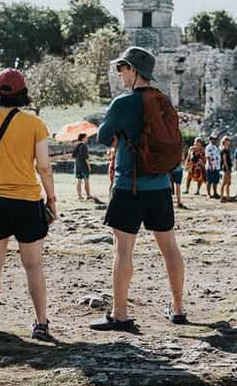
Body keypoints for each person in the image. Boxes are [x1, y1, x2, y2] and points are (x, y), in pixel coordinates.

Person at [89, 46, 186, 331]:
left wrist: (120, 133)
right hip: (160, 186)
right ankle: (178, 308)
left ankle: (120, 315)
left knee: (123, 252)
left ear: (134, 71)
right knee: (170, 248)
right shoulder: (163, 100)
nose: (119, 74)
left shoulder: (123, 102)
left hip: (128, 186)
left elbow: (103, 136)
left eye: (122, 69)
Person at [0, 68, 56, 340]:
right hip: (28, 201)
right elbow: (43, 167)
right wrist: (51, 199)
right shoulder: (34, 124)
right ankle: (41, 323)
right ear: (23, 93)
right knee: (33, 265)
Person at [73, 133, 92, 200]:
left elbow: (73, 156)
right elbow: (86, 158)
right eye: (86, 138)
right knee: (86, 181)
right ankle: (88, 195)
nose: (87, 139)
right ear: (83, 138)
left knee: (79, 181)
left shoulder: (76, 145)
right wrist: (89, 166)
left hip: (78, 166)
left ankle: (79, 196)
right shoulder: (84, 146)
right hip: (84, 166)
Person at [219, 136, 233, 203]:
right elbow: (224, 160)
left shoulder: (227, 149)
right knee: (224, 182)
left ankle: (228, 196)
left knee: (228, 183)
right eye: (228, 140)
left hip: (229, 167)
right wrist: (227, 168)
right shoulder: (224, 150)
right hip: (225, 168)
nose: (229, 142)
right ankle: (221, 197)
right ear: (225, 142)